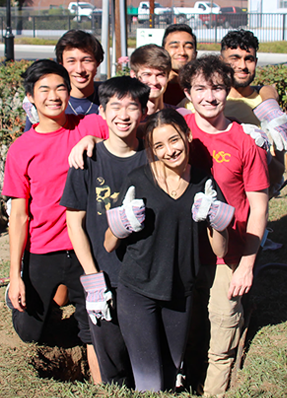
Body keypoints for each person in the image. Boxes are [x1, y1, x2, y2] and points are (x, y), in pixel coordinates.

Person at [104, 108, 233, 392]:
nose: (169, 151)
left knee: (172, 372)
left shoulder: (204, 182)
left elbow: (220, 249)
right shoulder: (137, 179)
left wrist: (215, 218)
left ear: (186, 136)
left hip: (180, 293)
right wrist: (122, 221)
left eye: (174, 140)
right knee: (149, 382)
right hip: (137, 290)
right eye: (158, 145)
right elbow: (109, 243)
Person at [2, 59, 108, 384]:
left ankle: (100, 376)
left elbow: (129, 132)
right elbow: (18, 215)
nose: (53, 95)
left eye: (60, 88)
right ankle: (38, 301)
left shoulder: (88, 126)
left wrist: (95, 141)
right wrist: (14, 276)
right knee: (29, 330)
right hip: (43, 250)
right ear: (31, 97)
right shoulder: (22, 150)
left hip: (84, 250)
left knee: (98, 326)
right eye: (44, 89)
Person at [179, 55, 269, 397]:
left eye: (217, 88)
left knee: (222, 328)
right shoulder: (178, 131)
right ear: (187, 93)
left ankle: (213, 392)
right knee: (188, 327)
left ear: (227, 91)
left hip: (228, 255)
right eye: (200, 88)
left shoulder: (245, 141)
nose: (209, 96)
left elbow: (259, 209)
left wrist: (246, 265)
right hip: (184, 251)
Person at [60, 76, 150, 387]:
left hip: (145, 277)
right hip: (104, 274)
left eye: (132, 107)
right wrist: (92, 277)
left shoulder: (153, 158)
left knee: (145, 357)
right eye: (115, 107)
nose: (123, 115)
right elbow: (74, 222)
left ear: (143, 112)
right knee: (110, 355)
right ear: (101, 110)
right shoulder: (88, 160)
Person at [221, 29, 287, 197]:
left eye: (249, 59)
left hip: (254, 203)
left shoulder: (266, 106)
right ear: (221, 61)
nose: (242, 66)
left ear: (256, 62)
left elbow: (277, 173)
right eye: (234, 59)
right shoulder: (205, 102)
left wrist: (260, 153)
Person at [24, 30, 104, 130]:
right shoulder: (49, 103)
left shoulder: (111, 99)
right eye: (71, 61)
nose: (79, 70)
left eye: (86, 60)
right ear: (61, 64)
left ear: (98, 63)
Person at [162, 24, 197, 106]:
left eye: (188, 47)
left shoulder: (203, 88)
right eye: (174, 46)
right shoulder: (153, 87)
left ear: (195, 54)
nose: (182, 52)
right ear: (162, 52)